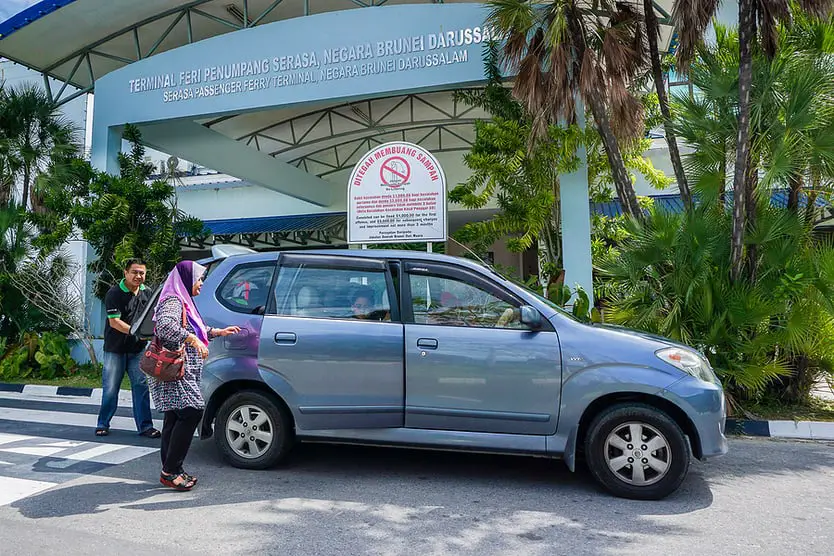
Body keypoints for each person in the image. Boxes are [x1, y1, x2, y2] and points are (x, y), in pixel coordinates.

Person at [151, 261, 239, 491]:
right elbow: (165, 326)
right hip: (176, 368)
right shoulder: (173, 301)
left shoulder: (183, 301)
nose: (201, 283)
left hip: (181, 368)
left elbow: (194, 327)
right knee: (192, 411)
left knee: (174, 415)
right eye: (199, 279)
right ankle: (170, 471)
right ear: (186, 280)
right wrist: (192, 340)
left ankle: (172, 469)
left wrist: (217, 332)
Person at [96, 258, 158, 438]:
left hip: (138, 349)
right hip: (115, 350)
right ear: (125, 272)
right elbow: (114, 323)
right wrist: (135, 331)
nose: (138, 276)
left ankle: (146, 427)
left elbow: (151, 318)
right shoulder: (114, 293)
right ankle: (103, 423)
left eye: (142, 273)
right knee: (110, 388)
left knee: (141, 387)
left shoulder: (148, 293)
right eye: (135, 272)